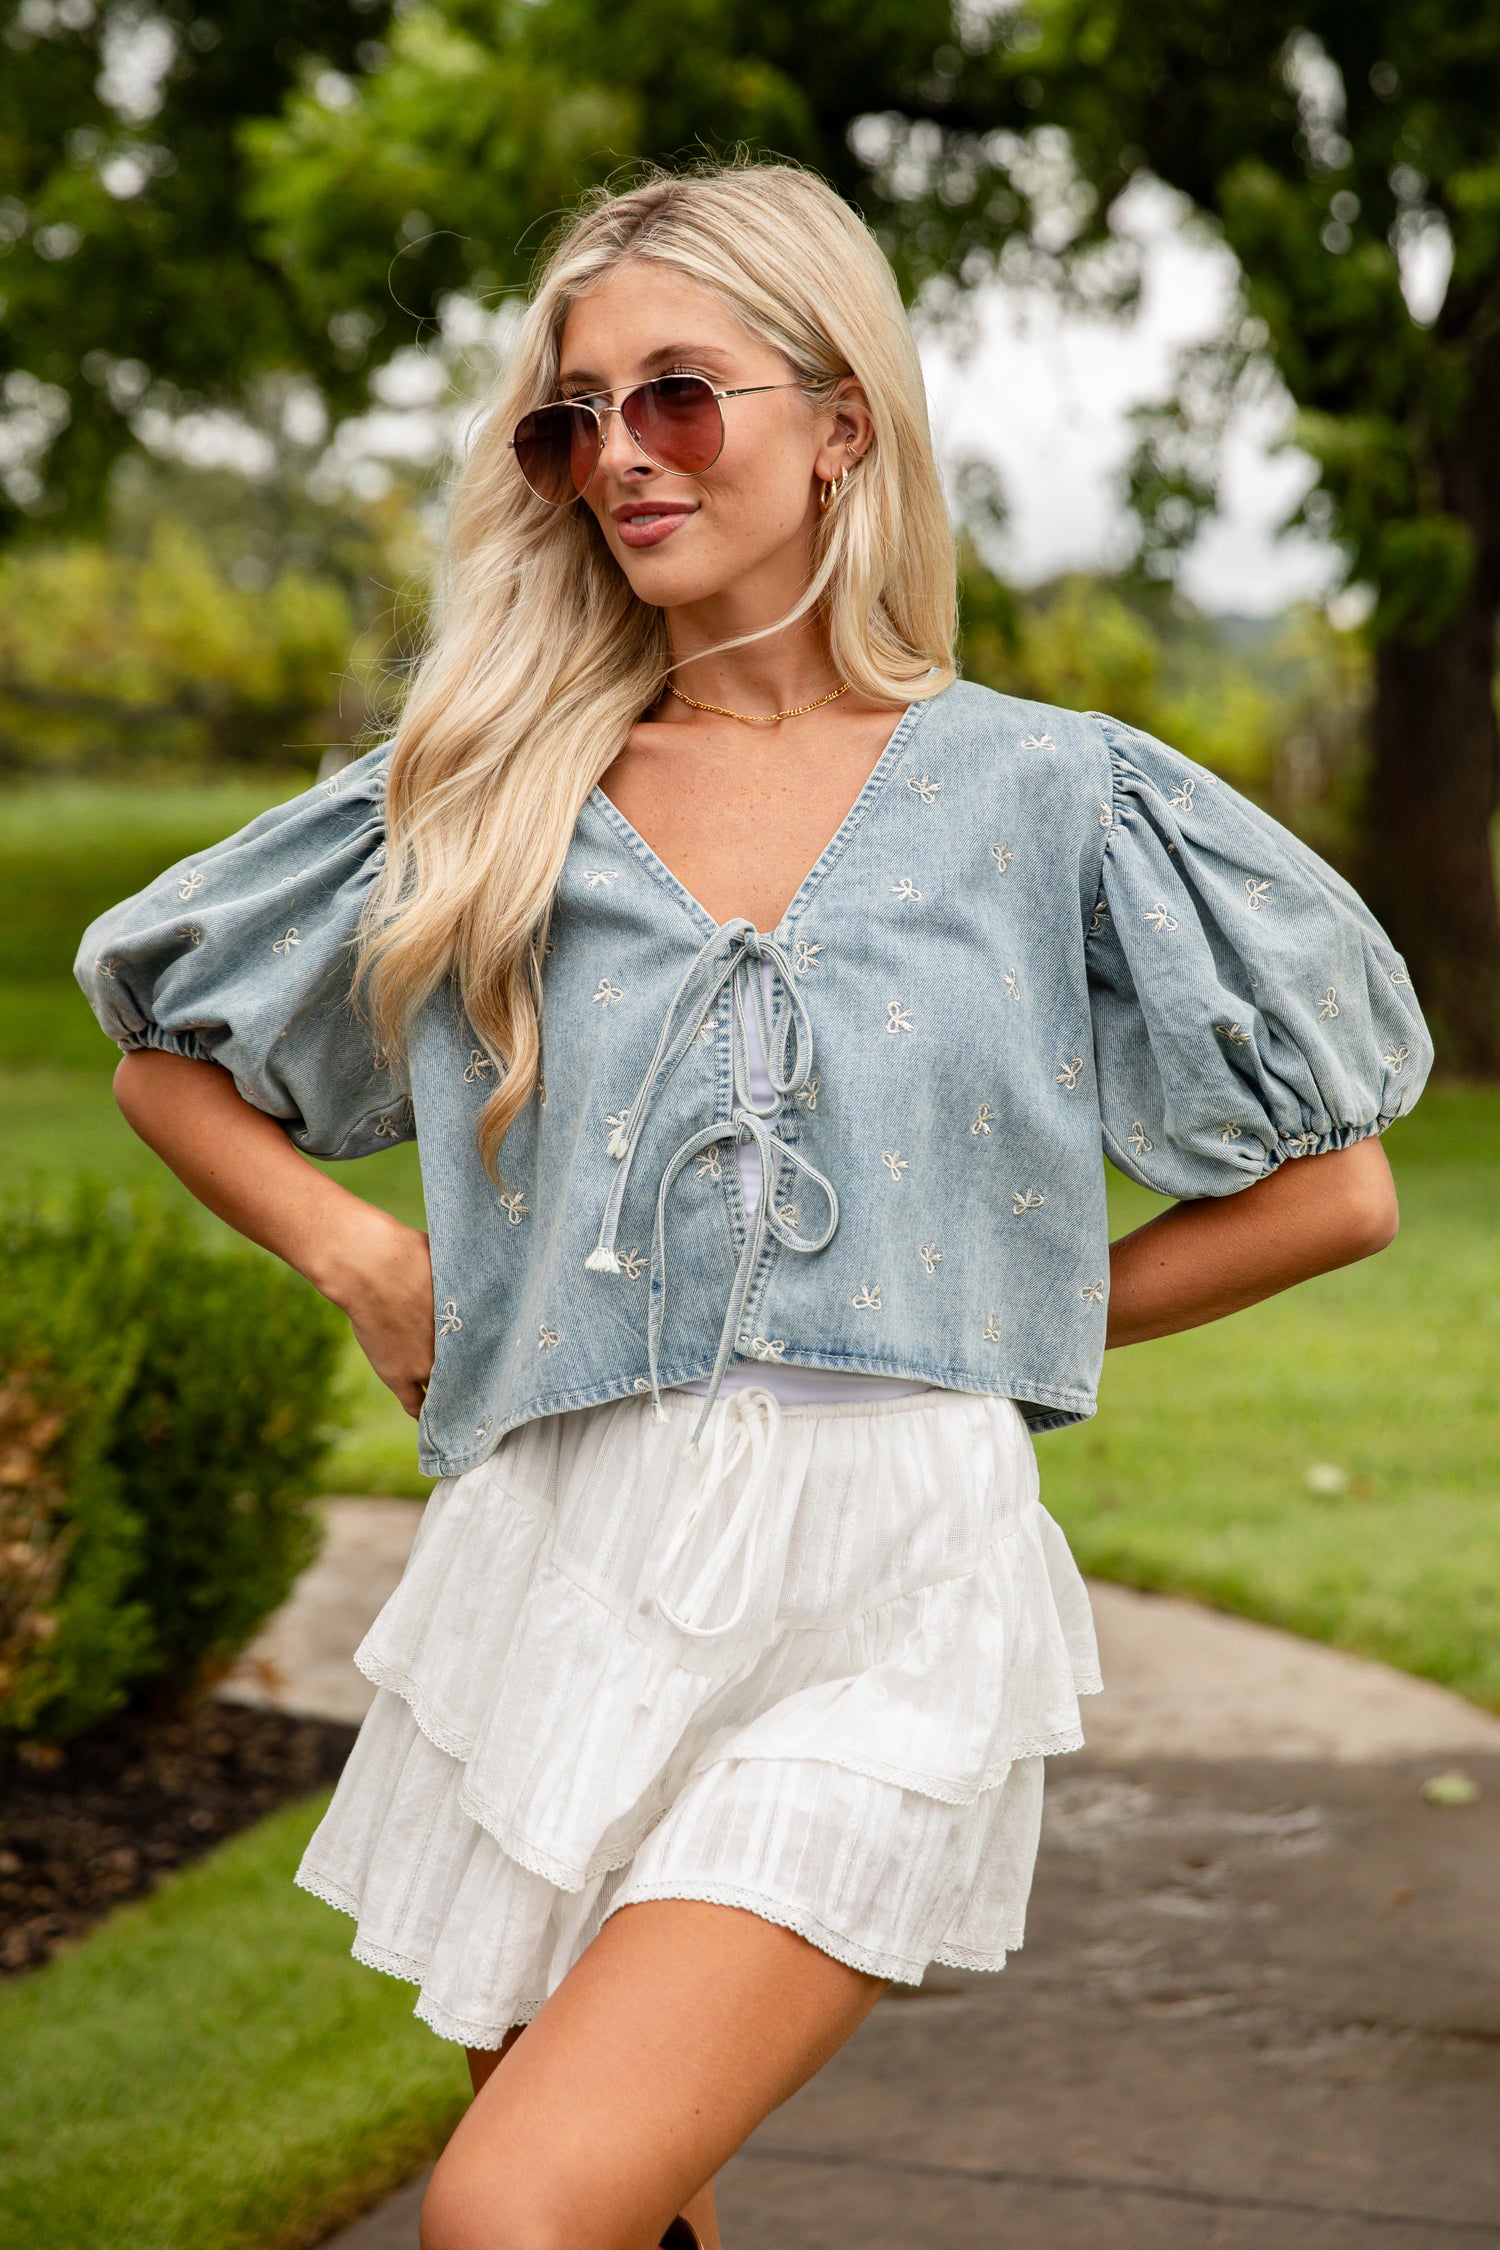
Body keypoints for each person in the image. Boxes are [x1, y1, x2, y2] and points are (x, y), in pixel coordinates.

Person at [75, 162, 1432, 2250]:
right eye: (571, 416)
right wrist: (359, 1250)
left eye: (679, 397)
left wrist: (989, 1310)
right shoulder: (486, 783)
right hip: (551, 1560)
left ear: (842, 420)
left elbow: (1333, 1191)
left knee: (515, 2209)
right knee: (632, 2210)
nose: (618, 454)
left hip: (887, 1583)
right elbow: (165, 1048)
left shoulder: (1057, 797)